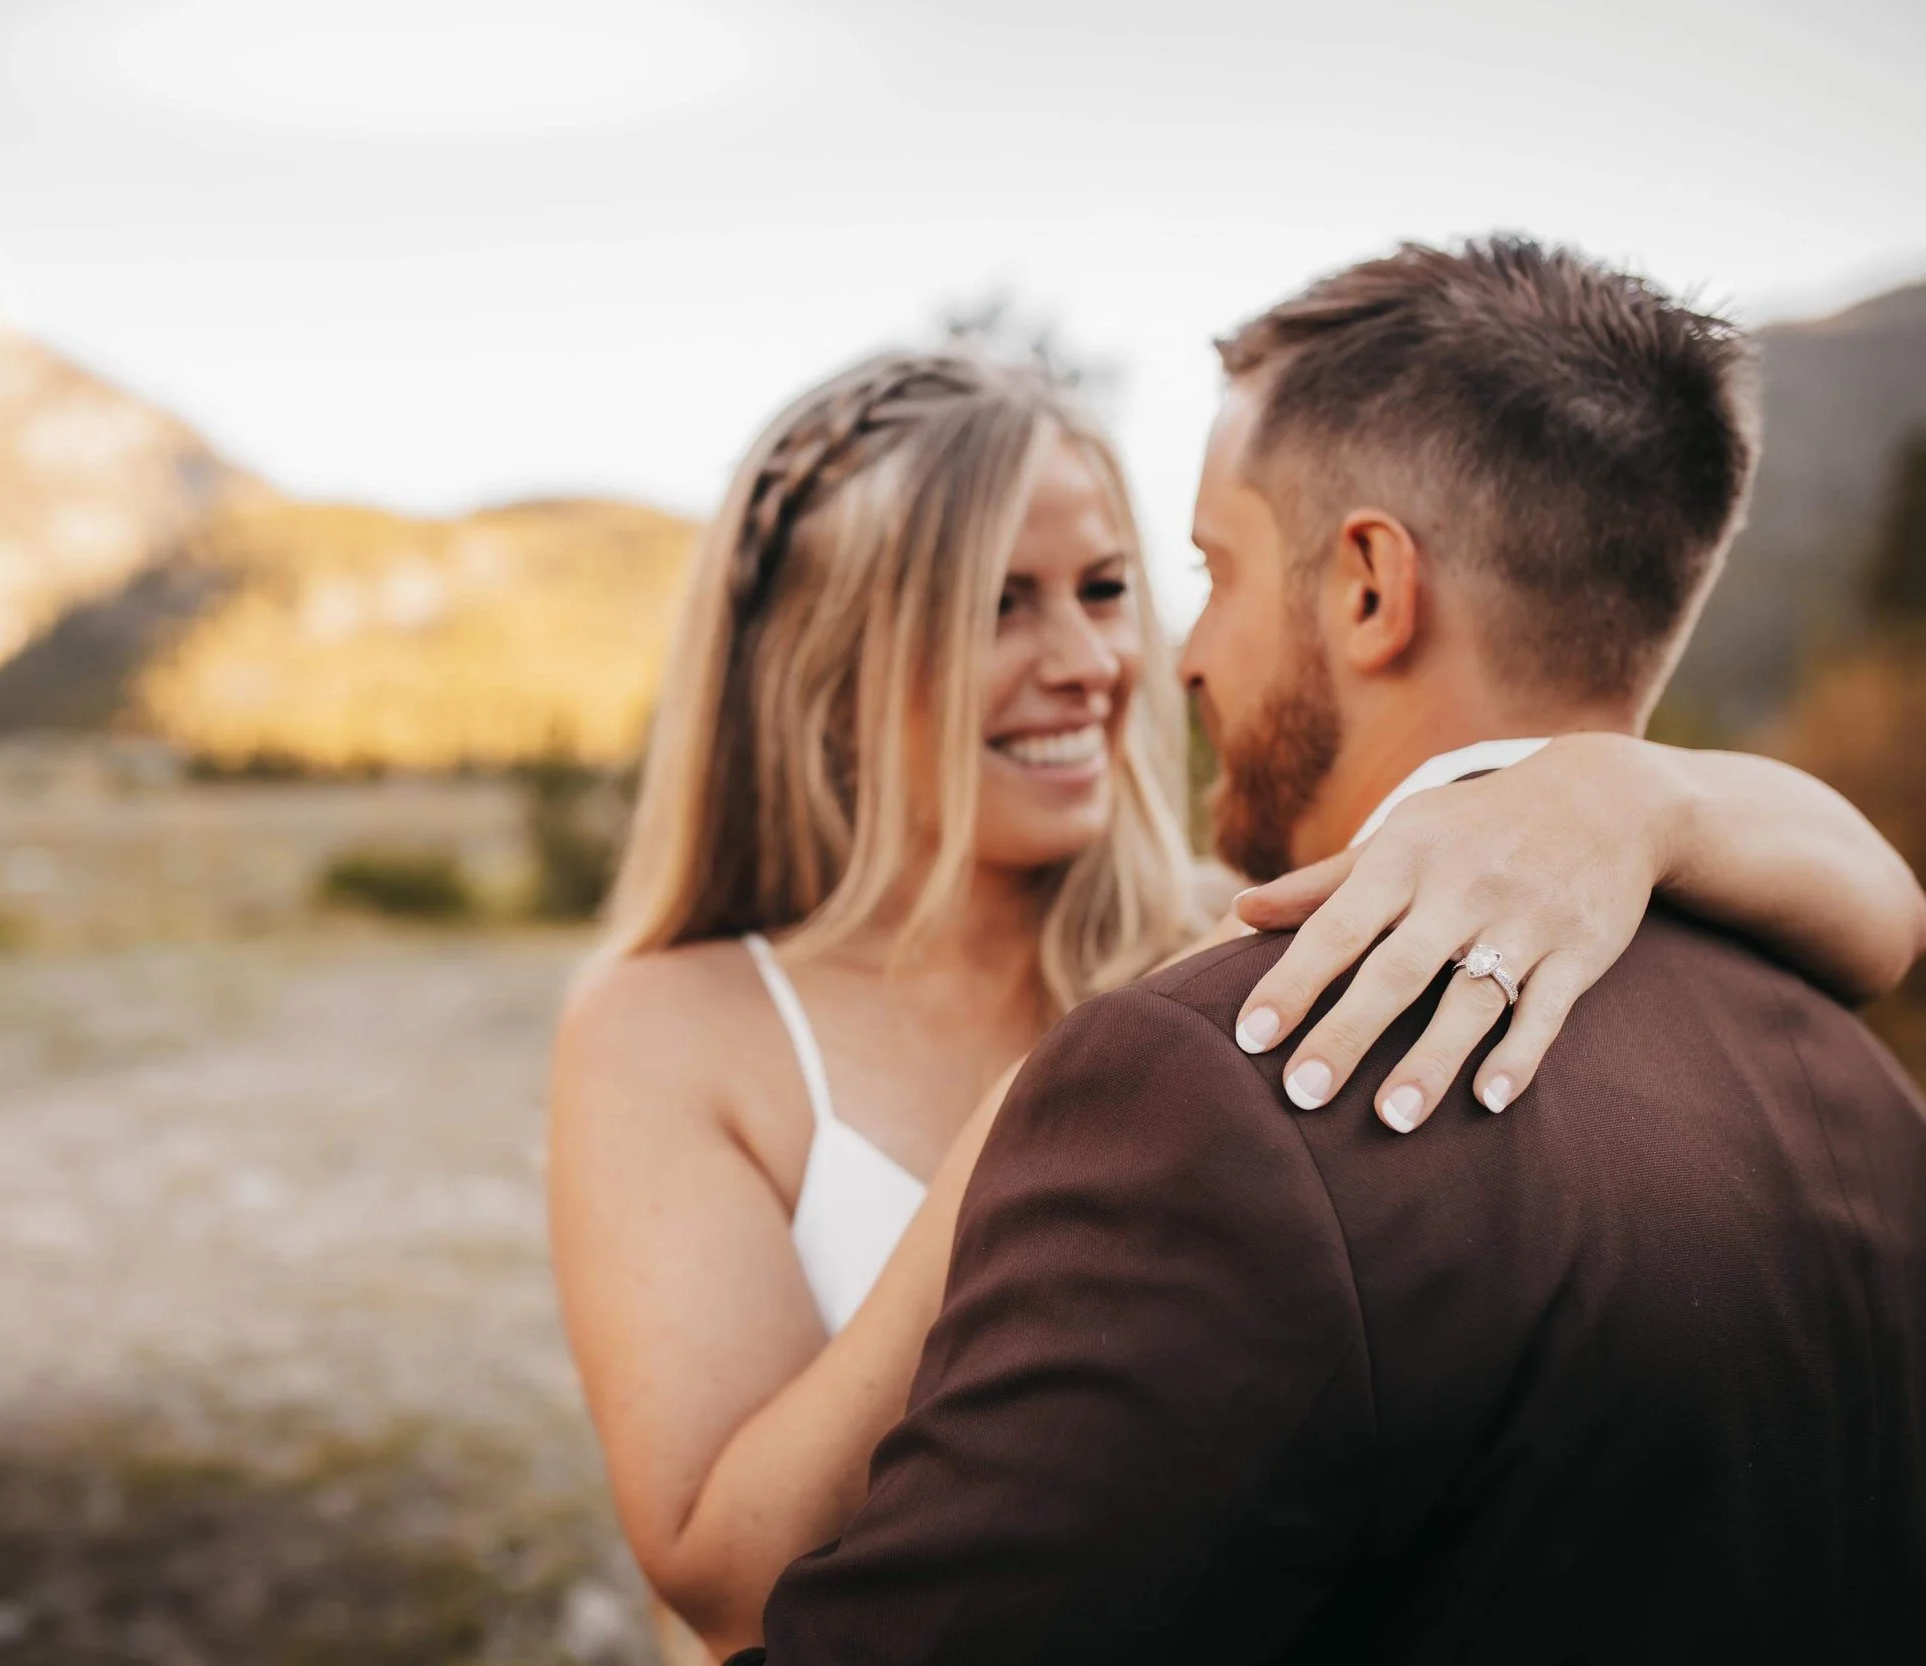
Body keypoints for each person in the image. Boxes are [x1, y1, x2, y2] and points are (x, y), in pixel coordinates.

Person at [548, 338, 1926, 1660]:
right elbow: (727, 1582)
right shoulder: (675, 1026)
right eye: (994, 604)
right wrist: (1040, 1117)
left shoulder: (1250, 920)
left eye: (1104, 589)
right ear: (822, 663)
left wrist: (1631, 794)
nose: (1090, 663)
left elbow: (1880, 918)